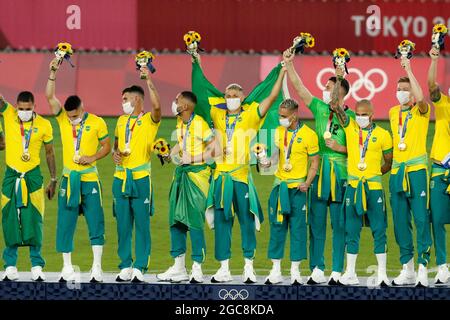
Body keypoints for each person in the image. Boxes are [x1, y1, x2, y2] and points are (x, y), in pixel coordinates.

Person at [196, 54, 286, 283]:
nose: (231, 98)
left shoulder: (251, 113)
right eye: (228, 95)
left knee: (246, 221)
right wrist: (195, 62)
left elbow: (273, 95)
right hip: (220, 178)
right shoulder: (217, 112)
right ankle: (224, 268)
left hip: (241, 177)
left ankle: (249, 267)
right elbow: (200, 90)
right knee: (222, 223)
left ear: (243, 98)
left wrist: (283, 70)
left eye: (236, 96)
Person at [283, 49, 354, 285]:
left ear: (340, 90)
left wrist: (339, 147)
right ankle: (317, 268)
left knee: (339, 223)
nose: (324, 90)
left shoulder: (350, 116)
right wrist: (289, 63)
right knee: (316, 222)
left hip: (340, 172)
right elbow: (300, 87)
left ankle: (336, 269)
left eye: (329, 86)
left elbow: (356, 148)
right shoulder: (319, 109)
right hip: (320, 171)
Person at [46, 58, 111, 283]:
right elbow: (49, 97)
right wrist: (53, 72)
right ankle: (66, 268)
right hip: (68, 179)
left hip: (90, 179)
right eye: (69, 116)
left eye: (75, 116)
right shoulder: (63, 120)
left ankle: (97, 268)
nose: (72, 120)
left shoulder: (97, 122)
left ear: (82, 109)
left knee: (96, 222)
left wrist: (92, 157)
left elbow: (107, 146)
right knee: (65, 223)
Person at [331, 82, 392, 286]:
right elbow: (334, 105)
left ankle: (382, 273)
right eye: (357, 113)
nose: (360, 117)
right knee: (352, 229)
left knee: (379, 229)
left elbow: (389, 162)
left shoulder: (383, 135)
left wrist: (374, 175)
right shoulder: (350, 129)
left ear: (372, 115)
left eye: (364, 114)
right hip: (354, 188)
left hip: (373, 188)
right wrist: (339, 76)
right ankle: (350, 273)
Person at [157, 91, 218, 283]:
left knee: (194, 222)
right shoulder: (181, 122)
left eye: (177, 101)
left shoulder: (199, 123)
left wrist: (192, 158)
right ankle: (178, 267)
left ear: (186, 107)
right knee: (176, 221)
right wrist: (169, 155)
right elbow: (181, 145)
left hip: (197, 176)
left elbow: (215, 150)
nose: (174, 103)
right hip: (181, 175)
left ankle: (197, 267)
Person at [0, 91, 56, 281]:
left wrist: (54, 179)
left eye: (28, 109)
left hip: (33, 177)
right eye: (21, 108)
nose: (24, 112)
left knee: (35, 220)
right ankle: (10, 265)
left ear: (34, 107)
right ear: (16, 106)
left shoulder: (44, 125)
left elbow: (49, 153)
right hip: (11, 175)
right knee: (9, 219)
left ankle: (37, 265)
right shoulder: (8, 114)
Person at [112, 66, 161, 283]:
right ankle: (125, 265)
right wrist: (115, 154)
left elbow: (158, 106)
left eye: (125, 98)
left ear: (137, 100)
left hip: (141, 179)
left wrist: (148, 80)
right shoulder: (121, 121)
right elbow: (116, 145)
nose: (122, 102)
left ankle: (140, 265)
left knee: (142, 224)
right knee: (122, 225)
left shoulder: (150, 120)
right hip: (120, 178)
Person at [263, 98, 319, 285]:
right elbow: (278, 153)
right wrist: (268, 161)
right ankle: (276, 269)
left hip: (298, 189)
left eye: (284, 116)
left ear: (294, 116)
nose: (280, 119)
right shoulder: (279, 132)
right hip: (280, 188)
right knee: (277, 228)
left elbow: (315, 163)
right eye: (280, 115)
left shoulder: (309, 135)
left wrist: (308, 182)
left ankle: (295, 270)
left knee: (298, 229)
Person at [389, 56, 432, 287]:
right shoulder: (393, 112)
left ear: (413, 93)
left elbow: (422, 97)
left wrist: (409, 69)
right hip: (397, 173)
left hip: (417, 171)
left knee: (421, 219)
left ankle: (424, 267)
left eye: (405, 90)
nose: (401, 93)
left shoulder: (421, 111)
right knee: (399, 221)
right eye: (398, 89)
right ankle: (408, 269)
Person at [427, 47, 450, 284]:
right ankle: (443, 265)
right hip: (440, 170)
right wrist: (434, 60)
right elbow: (432, 87)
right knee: (438, 220)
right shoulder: (443, 105)